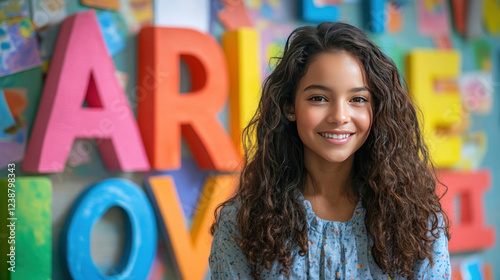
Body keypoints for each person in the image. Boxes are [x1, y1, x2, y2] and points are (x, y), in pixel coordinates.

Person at [209, 21, 451, 279]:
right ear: (290, 106)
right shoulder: (242, 221)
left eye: (358, 99)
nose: (340, 116)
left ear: (377, 110)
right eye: (319, 98)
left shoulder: (416, 221)